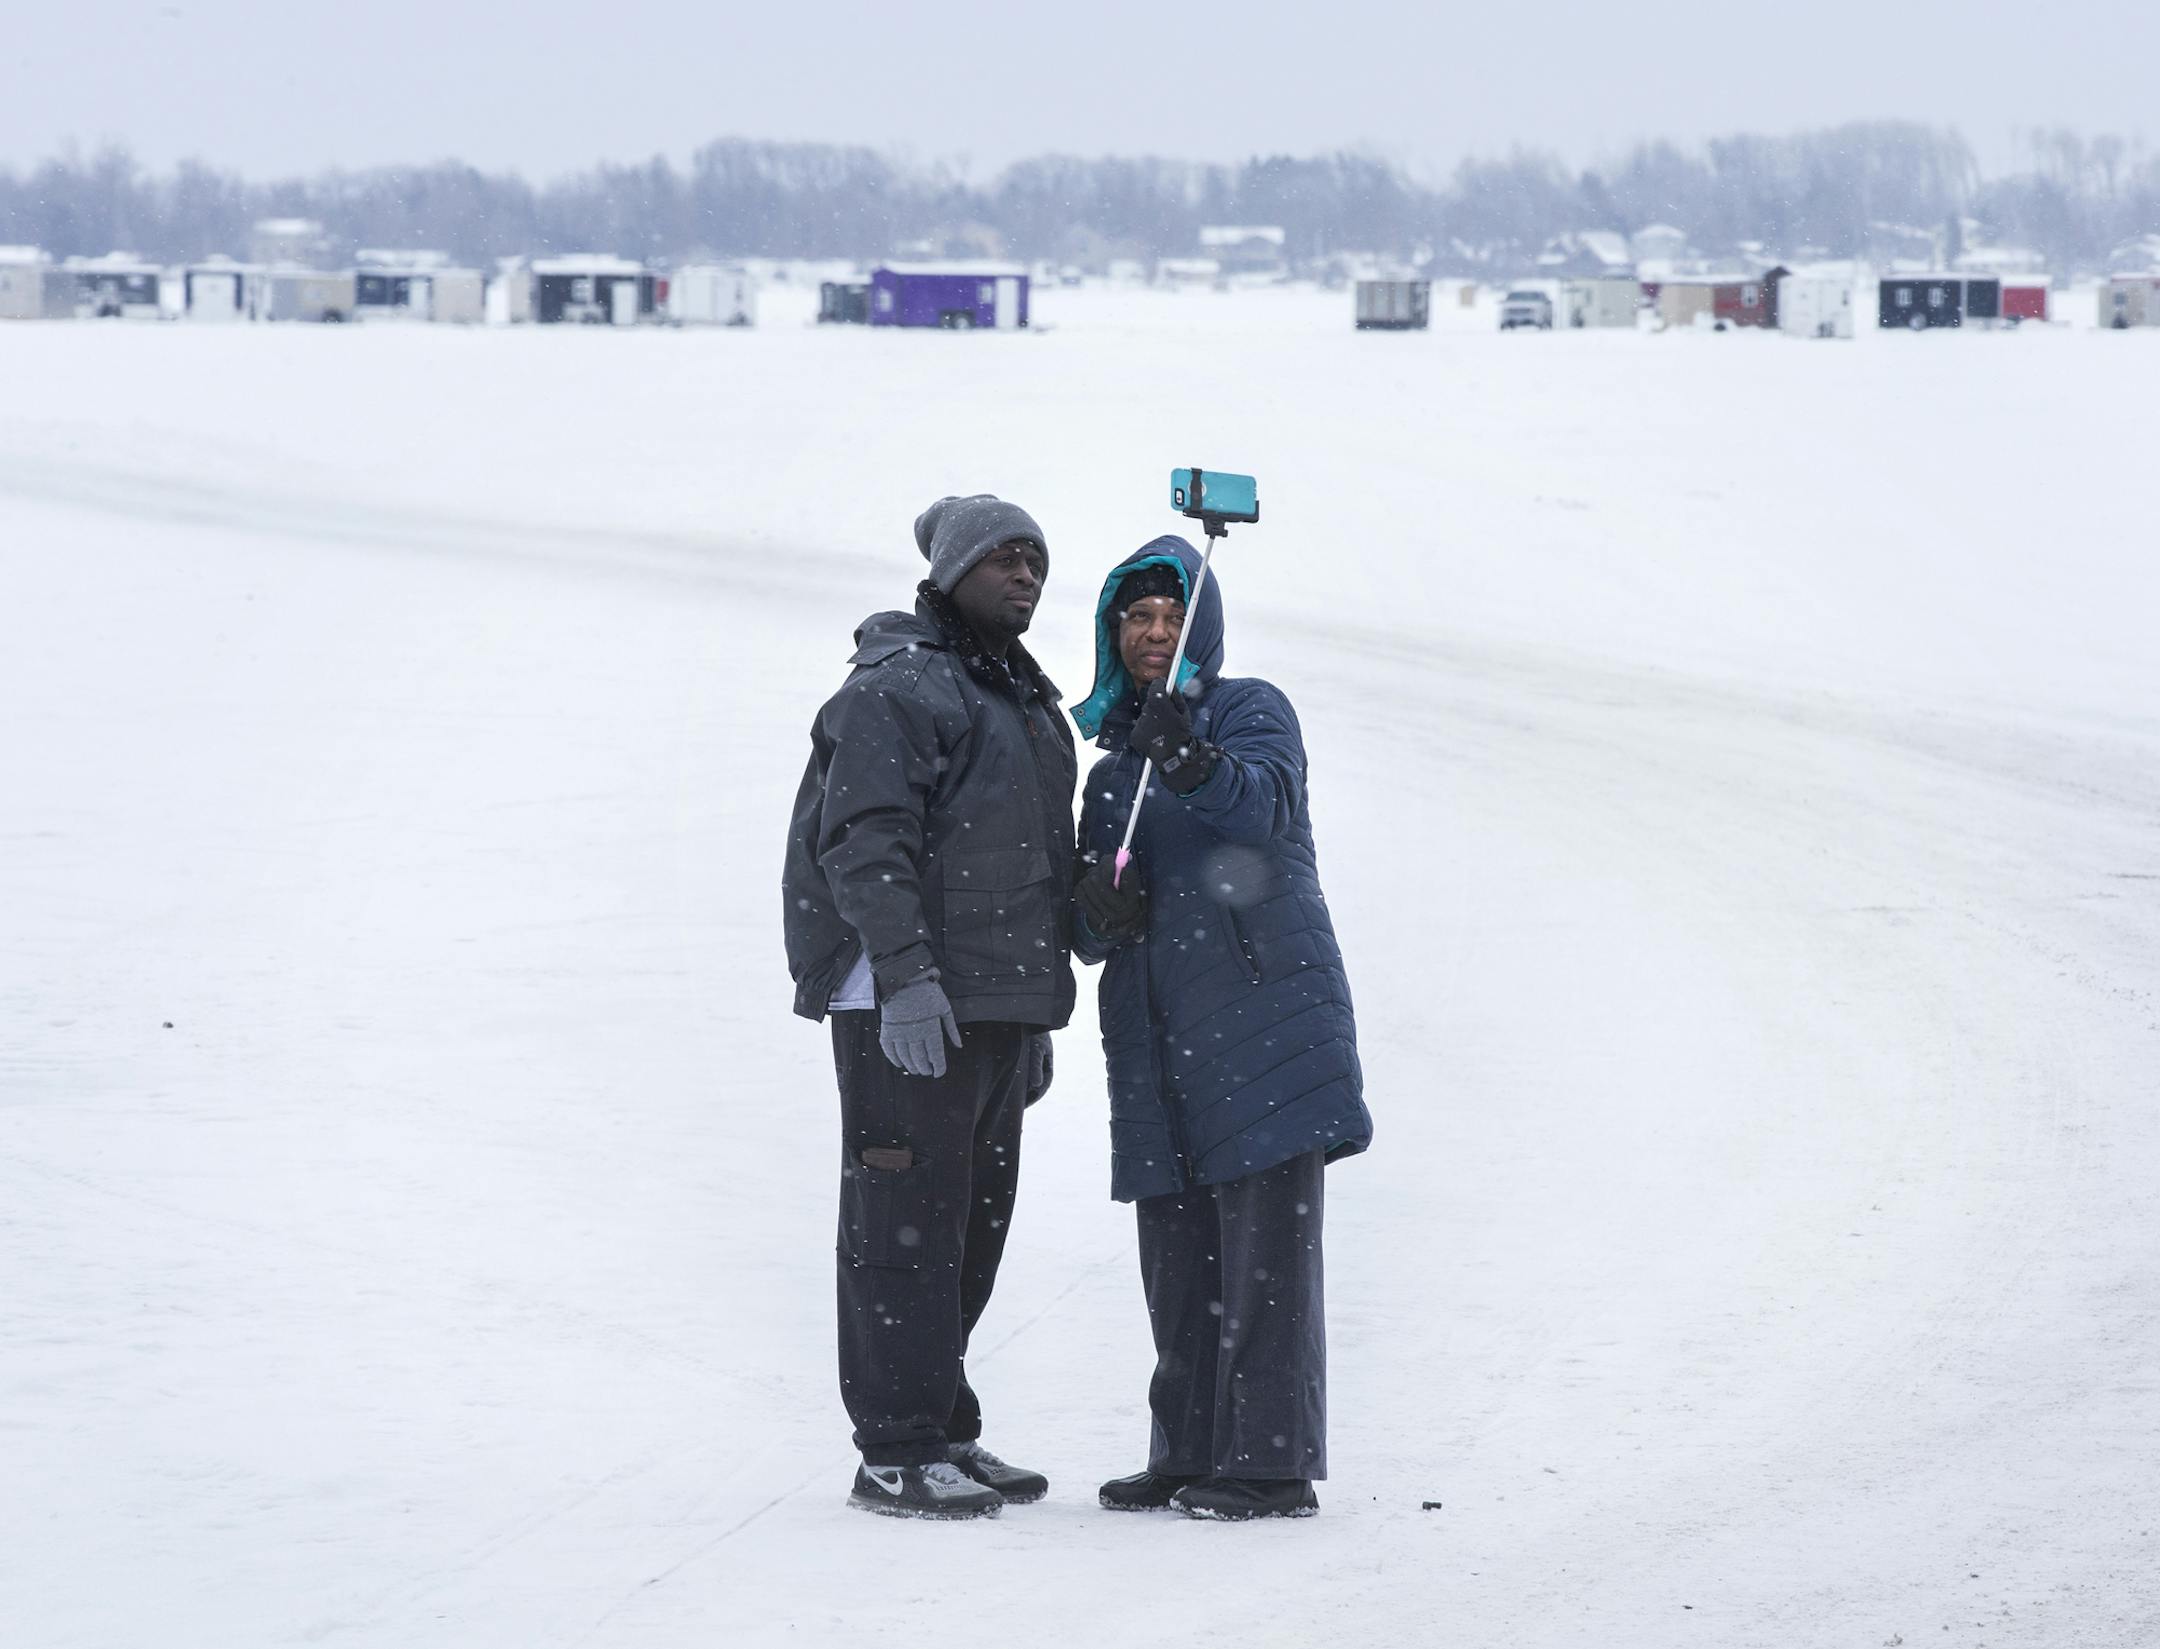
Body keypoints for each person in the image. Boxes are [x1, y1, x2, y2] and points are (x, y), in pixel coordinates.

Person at [783, 495, 1077, 1519]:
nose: (1024, 573)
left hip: (991, 1009)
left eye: (1036, 559)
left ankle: (943, 1421)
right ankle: (896, 1445)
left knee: (966, 1226)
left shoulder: (1022, 699)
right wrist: (905, 977)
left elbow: (1035, 862)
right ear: (951, 571)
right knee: (901, 1225)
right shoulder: (899, 685)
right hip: (906, 1004)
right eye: (1002, 557)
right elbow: (864, 841)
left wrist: (1029, 1011)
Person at [1069, 537, 1372, 1521]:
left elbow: (1261, 808)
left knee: (1264, 1256)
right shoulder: (1112, 770)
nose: (1155, 633)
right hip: (1162, 1038)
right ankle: (1189, 1446)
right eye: (1137, 618)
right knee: (1181, 1249)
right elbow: (1088, 915)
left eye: (1171, 616)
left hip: (1263, 1018)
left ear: (1198, 625)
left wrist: (1191, 756)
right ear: (1115, 632)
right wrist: (1092, 911)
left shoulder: (1251, 712)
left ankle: (1271, 1460)